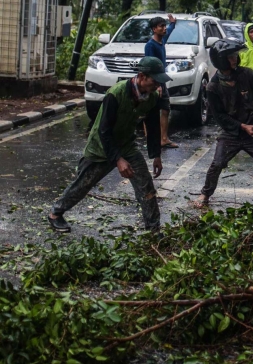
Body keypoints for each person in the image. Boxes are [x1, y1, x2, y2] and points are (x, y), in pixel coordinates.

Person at [48, 57, 167, 234]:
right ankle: (55, 214)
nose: (157, 85)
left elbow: (153, 126)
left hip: (127, 145)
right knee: (84, 183)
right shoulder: (116, 94)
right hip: (101, 146)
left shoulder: (152, 97)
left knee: (146, 186)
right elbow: (104, 130)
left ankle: (153, 228)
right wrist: (118, 159)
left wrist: (156, 155)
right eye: (154, 80)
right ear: (142, 76)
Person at [195, 40, 253, 207]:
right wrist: (241, 126)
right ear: (221, 60)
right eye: (231, 57)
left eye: (235, 56)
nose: (235, 59)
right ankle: (205, 194)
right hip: (231, 133)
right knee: (217, 163)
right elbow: (220, 117)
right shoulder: (213, 87)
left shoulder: (247, 74)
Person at [144, 14, 178, 148]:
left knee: (165, 108)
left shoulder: (161, 41)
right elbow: (149, 66)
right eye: (161, 26)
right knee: (149, 110)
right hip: (153, 83)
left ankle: (163, 138)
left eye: (164, 26)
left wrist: (173, 24)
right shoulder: (150, 46)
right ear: (154, 29)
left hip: (161, 80)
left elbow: (169, 32)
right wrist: (155, 84)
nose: (164, 29)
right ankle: (150, 138)